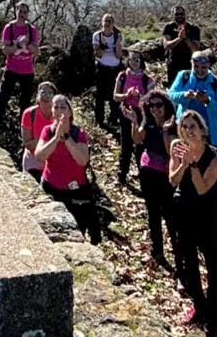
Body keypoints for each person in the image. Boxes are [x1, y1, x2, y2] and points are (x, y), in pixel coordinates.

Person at [170, 110, 217, 337]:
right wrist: (182, 164)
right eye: (184, 126)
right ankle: (199, 306)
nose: (188, 131)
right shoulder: (177, 147)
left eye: (193, 126)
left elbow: (203, 189)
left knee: (214, 266)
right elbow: (172, 180)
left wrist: (192, 166)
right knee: (187, 263)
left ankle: (214, 319)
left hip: (207, 216)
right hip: (183, 213)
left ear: (203, 131)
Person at [35, 94, 102, 243]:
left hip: (76, 191)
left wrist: (66, 138)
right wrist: (56, 138)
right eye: (56, 107)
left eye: (63, 107)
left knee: (78, 232)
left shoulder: (79, 134)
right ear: (52, 111)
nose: (59, 111)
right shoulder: (47, 131)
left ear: (70, 112)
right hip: (51, 188)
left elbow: (82, 160)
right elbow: (40, 156)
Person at [131, 90, 181, 272]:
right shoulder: (148, 122)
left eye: (158, 105)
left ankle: (178, 253)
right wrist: (134, 122)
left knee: (169, 214)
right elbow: (138, 139)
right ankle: (157, 251)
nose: (155, 109)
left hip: (165, 175)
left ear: (166, 105)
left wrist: (166, 131)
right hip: (147, 172)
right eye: (151, 106)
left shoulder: (173, 125)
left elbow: (171, 151)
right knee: (152, 212)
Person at [167, 51, 217, 152]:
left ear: (208, 66)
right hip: (187, 131)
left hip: (210, 134)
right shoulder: (184, 77)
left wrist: (209, 101)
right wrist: (185, 95)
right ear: (191, 64)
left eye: (203, 67)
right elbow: (171, 95)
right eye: (196, 66)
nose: (199, 70)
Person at [0, 2, 41, 121]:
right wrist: (18, 45)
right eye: (20, 11)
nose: (22, 14)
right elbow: (5, 49)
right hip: (11, 68)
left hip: (27, 71)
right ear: (16, 11)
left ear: (27, 14)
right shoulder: (10, 27)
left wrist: (27, 43)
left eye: (25, 12)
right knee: (3, 97)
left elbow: (36, 50)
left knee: (25, 102)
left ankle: (24, 128)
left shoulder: (32, 30)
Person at [113, 48, 155, 185]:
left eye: (137, 59)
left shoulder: (148, 80)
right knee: (126, 145)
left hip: (141, 115)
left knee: (140, 146)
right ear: (128, 61)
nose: (135, 62)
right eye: (132, 59)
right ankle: (122, 175)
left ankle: (143, 175)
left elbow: (152, 101)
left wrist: (140, 97)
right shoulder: (122, 76)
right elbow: (115, 96)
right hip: (125, 112)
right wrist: (126, 95)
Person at [20, 80, 57, 181]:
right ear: (37, 96)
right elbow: (28, 144)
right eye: (43, 92)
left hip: (53, 164)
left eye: (50, 93)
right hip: (32, 163)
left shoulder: (59, 115)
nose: (46, 96)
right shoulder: (29, 114)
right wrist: (52, 141)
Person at [92, 13, 123, 130]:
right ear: (102, 22)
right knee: (100, 95)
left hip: (116, 69)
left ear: (113, 24)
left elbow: (119, 55)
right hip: (102, 68)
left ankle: (113, 119)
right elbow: (98, 53)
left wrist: (117, 44)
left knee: (113, 95)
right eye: (105, 21)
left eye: (110, 21)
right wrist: (104, 46)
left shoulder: (117, 36)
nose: (107, 24)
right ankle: (99, 120)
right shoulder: (97, 36)